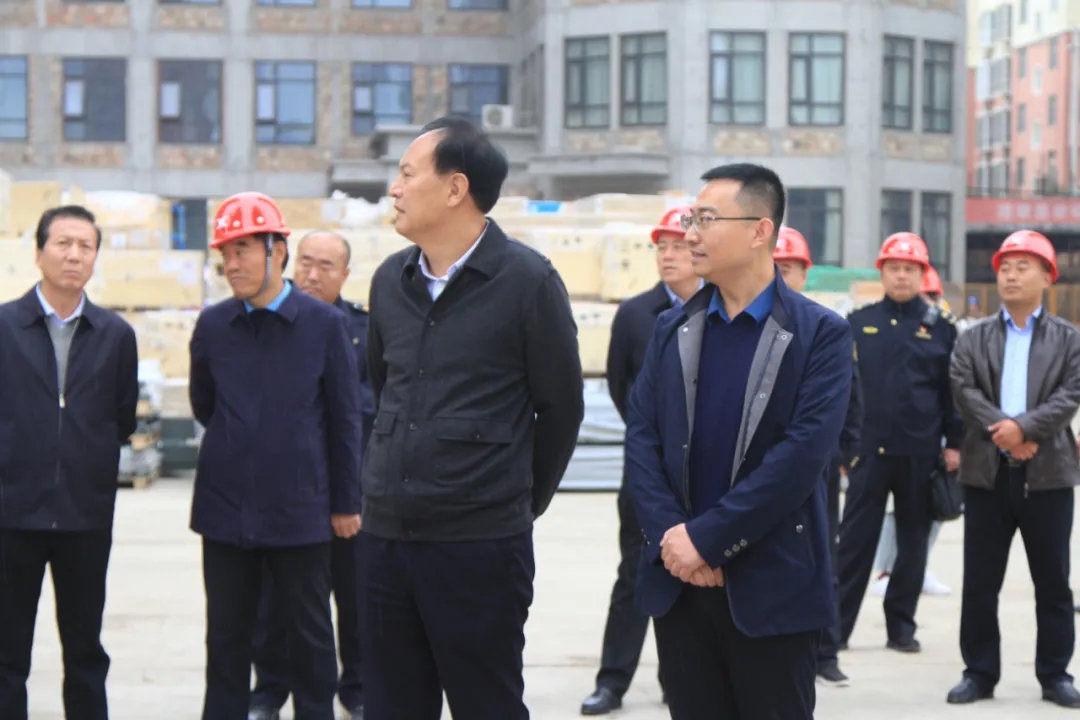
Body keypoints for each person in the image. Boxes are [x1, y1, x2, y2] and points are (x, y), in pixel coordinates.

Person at [361, 116, 585, 720]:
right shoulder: (390, 282)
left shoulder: (528, 282)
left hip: (479, 548)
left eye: (407, 174)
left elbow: (561, 409)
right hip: (385, 541)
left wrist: (514, 501)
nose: (395, 189)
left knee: (486, 705)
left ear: (455, 188)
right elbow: (383, 389)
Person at [626, 162, 853, 719]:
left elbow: (800, 458)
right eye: (691, 219)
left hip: (771, 586)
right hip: (680, 582)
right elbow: (642, 439)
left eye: (706, 219)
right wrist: (674, 540)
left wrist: (709, 540)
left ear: (759, 230)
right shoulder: (672, 328)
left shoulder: (820, 335)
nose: (691, 235)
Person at [189, 192, 365, 720]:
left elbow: (345, 419)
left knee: (310, 641)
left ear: (277, 251)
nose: (232, 263)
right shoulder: (214, 326)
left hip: (301, 512)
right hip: (225, 511)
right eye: (226, 252)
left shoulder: (324, 325)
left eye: (243, 249)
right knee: (226, 641)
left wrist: (345, 503)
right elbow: (205, 405)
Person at [0, 205, 139, 720]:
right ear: (39, 253)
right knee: (6, 652)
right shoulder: (4, 327)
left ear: (96, 257)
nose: (74, 255)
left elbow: (122, 417)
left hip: (85, 516)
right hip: (11, 514)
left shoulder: (115, 335)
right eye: (63, 243)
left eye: (85, 246)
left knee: (85, 651)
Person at [947, 230, 1080, 708]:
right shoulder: (974, 336)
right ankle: (979, 673)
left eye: (1023, 267)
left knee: (1053, 583)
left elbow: (1071, 393)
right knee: (981, 583)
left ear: (1047, 276)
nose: (1011, 275)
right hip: (987, 473)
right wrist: (1002, 431)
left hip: (1049, 475)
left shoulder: (1069, 339)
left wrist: (1024, 429)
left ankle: (1055, 674)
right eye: (1005, 267)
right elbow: (963, 387)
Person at [248, 230, 375, 720]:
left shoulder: (363, 329)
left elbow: (370, 404)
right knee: (274, 597)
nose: (312, 274)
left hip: (348, 485)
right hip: (283, 487)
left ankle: (357, 687)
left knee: (355, 593)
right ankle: (270, 689)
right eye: (305, 262)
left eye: (326, 266)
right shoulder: (266, 320)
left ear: (345, 275)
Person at [579, 207, 701, 716]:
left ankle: (682, 681)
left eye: (678, 245)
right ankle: (612, 681)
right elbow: (620, 386)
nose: (667, 255)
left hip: (704, 475)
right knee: (635, 571)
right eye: (661, 246)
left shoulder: (722, 311)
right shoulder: (634, 315)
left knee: (697, 577)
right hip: (647, 474)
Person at [835, 233, 963, 654]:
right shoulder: (858, 323)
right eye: (894, 268)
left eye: (910, 268)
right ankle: (835, 631)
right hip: (867, 453)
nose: (902, 275)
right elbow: (842, 390)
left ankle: (901, 627)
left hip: (920, 452)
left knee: (913, 544)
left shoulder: (941, 328)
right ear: (882, 273)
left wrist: (954, 444)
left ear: (923, 274)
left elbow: (953, 393)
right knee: (854, 543)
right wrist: (843, 447)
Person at [773, 226, 862, 687]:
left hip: (816, 466)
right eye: (775, 267)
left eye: (788, 268)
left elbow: (852, 398)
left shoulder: (824, 327)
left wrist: (843, 451)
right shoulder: (747, 325)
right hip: (763, 467)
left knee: (821, 555)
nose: (780, 276)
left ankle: (826, 652)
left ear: (805, 274)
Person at [869, 264, 952, 599]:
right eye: (927, 296)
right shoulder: (883, 326)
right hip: (892, 442)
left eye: (934, 296)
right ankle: (886, 570)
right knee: (896, 516)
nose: (929, 303)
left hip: (931, 439)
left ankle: (917, 569)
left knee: (932, 513)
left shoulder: (943, 329)